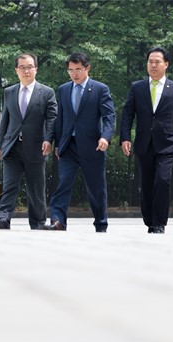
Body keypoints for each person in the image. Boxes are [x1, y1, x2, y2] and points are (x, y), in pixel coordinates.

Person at [120, 47, 173, 234]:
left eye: (157, 62)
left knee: (162, 181)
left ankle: (160, 223)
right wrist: (125, 138)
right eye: (150, 62)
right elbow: (127, 114)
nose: (153, 65)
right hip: (143, 144)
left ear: (166, 64)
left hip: (166, 144)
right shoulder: (137, 87)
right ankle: (150, 222)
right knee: (146, 184)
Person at [43, 52, 115, 232]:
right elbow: (60, 119)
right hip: (68, 146)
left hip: (93, 146)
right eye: (71, 70)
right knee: (63, 184)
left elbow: (109, 116)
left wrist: (105, 137)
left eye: (78, 69)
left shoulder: (100, 89)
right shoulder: (64, 89)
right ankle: (58, 221)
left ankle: (101, 224)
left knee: (96, 188)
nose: (74, 74)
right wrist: (55, 142)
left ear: (87, 68)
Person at [0, 53, 57, 230]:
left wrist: (49, 140)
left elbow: (52, 119)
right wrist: (0, 145)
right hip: (11, 147)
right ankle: (2, 218)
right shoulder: (9, 92)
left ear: (36, 69)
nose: (26, 71)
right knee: (9, 185)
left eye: (29, 67)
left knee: (36, 187)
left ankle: (38, 222)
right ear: (16, 70)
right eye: (22, 67)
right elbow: (5, 120)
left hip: (36, 148)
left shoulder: (47, 92)